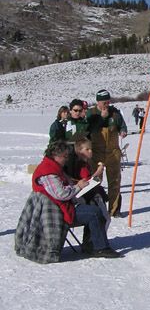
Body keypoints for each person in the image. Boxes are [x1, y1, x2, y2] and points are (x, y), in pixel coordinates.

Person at [15, 141, 120, 261]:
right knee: (94, 213)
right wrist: (78, 186)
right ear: (56, 155)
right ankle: (100, 248)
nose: (66, 159)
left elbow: (66, 185)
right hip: (56, 211)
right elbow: (61, 194)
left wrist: (80, 185)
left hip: (62, 205)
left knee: (93, 205)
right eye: (65, 156)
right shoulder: (48, 171)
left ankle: (91, 244)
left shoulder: (54, 167)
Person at [86, 89, 128, 218]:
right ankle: (95, 209)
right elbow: (88, 130)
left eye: (108, 101)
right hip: (97, 153)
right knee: (95, 181)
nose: (106, 104)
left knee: (115, 181)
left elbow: (122, 125)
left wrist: (123, 131)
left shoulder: (115, 113)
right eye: (104, 102)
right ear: (98, 101)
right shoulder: (91, 113)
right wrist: (102, 118)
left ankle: (114, 210)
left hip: (113, 152)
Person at [69, 137, 111, 252]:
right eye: (87, 149)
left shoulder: (86, 163)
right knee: (102, 218)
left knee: (105, 218)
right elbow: (86, 182)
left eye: (91, 149)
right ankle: (94, 243)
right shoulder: (79, 165)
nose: (90, 151)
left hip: (92, 195)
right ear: (79, 151)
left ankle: (93, 242)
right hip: (86, 197)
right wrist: (97, 174)